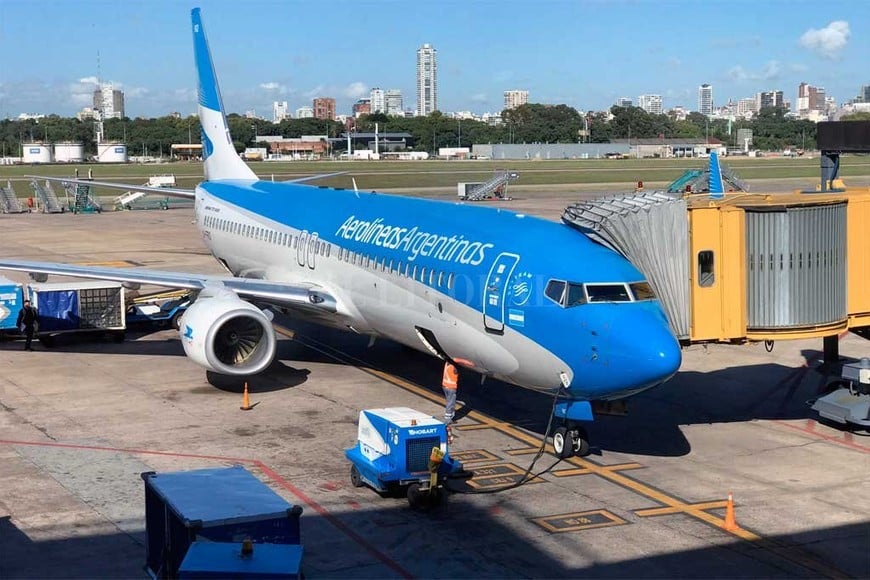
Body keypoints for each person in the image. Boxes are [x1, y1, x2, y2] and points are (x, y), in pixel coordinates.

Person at [442, 361, 459, 428]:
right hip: (451, 388)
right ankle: (447, 419)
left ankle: (451, 417)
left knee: (449, 402)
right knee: (450, 403)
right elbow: (456, 372)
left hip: (445, 386)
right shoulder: (454, 368)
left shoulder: (447, 364)